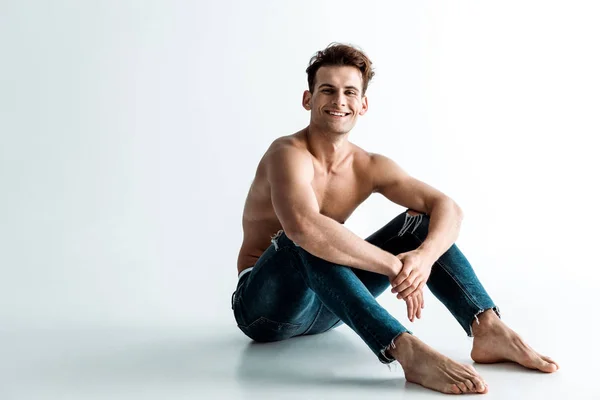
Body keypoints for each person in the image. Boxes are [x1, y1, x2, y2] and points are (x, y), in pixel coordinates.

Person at [231, 43, 559, 395]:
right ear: (307, 99)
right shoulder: (287, 154)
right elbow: (303, 227)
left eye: (349, 92)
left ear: (363, 104)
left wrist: (422, 258)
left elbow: (448, 208)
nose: (339, 101)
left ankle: (487, 327)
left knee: (419, 225)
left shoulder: (369, 165)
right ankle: (405, 350)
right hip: (266, 310)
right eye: (327, 90)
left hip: (329, 307)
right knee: (299, 239)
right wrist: (392, 265)